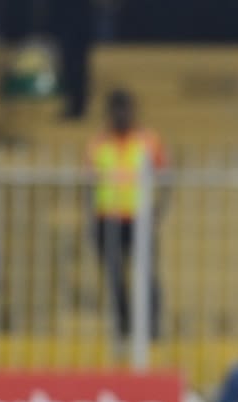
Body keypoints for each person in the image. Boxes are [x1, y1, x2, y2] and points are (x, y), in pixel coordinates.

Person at [87, 88, 167, 340]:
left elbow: (165, 177)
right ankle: (123, 325)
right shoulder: (99, 143)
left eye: (125, 109)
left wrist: (158, 210)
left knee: (146, 274)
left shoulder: (148, 140)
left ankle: (151, 325)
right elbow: (89, 183)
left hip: (138, 218)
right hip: (107, 218)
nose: (121, 115)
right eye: (116, 110)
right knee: (114, 276)